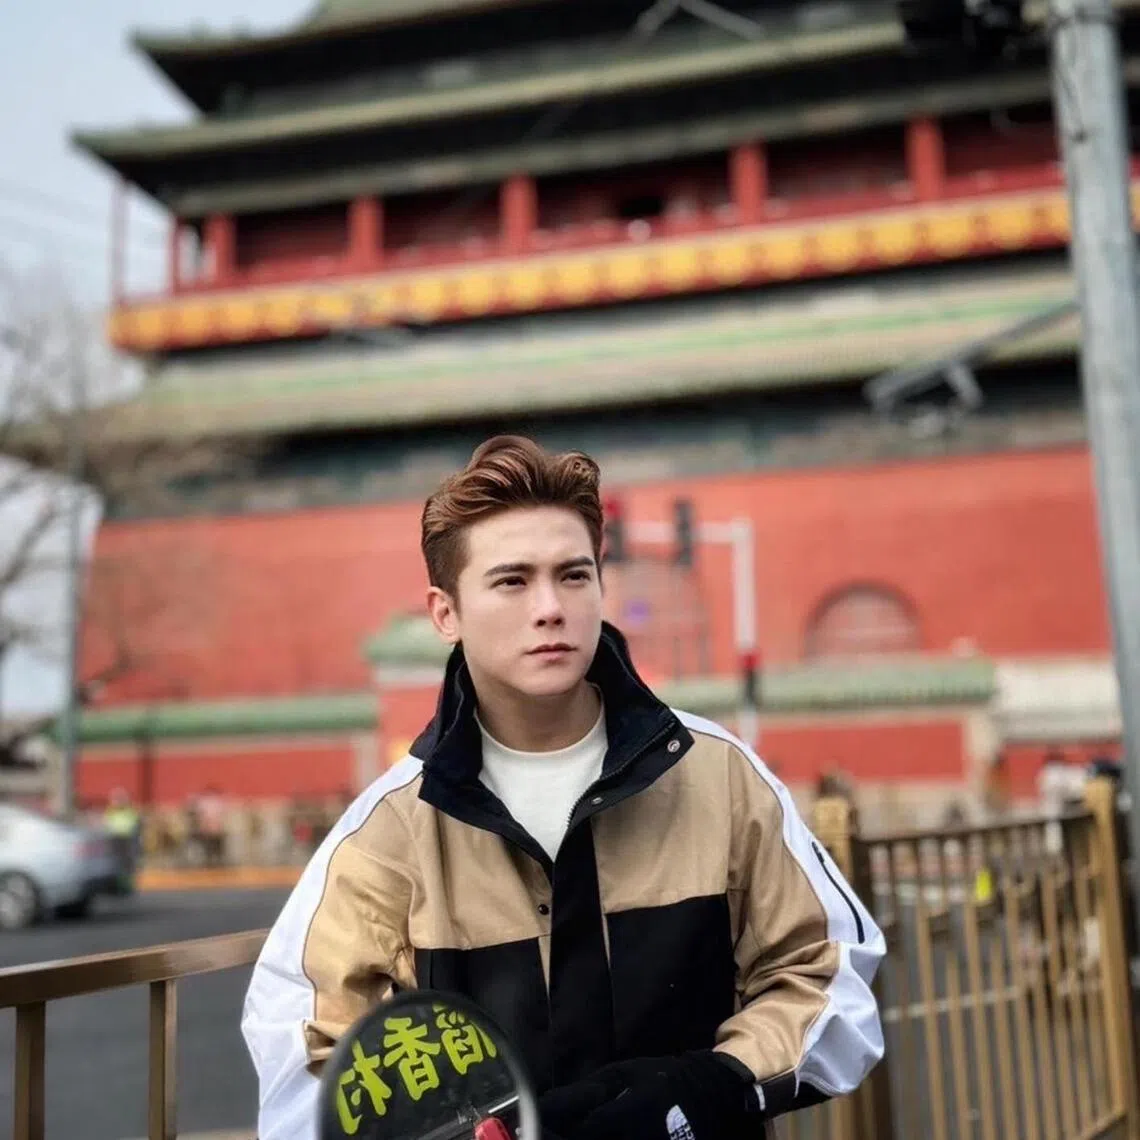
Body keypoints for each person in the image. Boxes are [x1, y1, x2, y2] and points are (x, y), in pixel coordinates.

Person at [242, 436, 885, 1140]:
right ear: (445, 612)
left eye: (573, 576)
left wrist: (711, 1084)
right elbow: (307, 1058)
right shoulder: (388, 833)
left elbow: (830, 981)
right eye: (512, 581)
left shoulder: (717, 776)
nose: (550, 607)